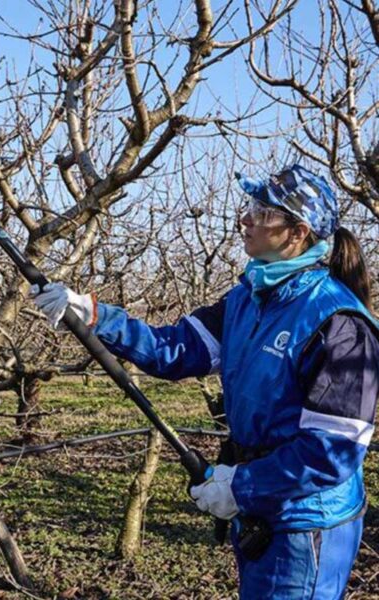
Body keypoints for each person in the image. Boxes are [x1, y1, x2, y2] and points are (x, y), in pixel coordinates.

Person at [32, 164, 379, 599]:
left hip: (304, 521)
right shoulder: (246, 299)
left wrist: (240, 487)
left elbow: (332, 452)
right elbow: (174, 349)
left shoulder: (337, 323)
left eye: (263, 211)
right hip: (259, 508)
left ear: (298, 231)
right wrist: (94, 317)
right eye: (251, 206)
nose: (246, 219)